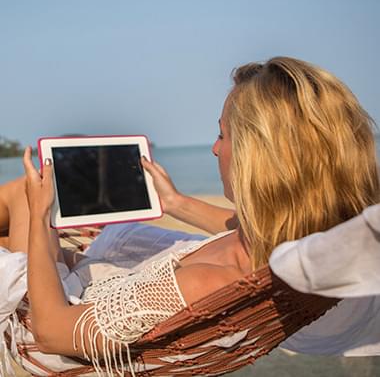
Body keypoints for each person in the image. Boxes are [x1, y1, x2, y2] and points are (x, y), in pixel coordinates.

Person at [0, 56, 379, 375]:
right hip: (92, 285)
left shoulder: (206, 283)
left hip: (45, 321)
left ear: (257, 157)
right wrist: (176, 203)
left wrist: (39, 215)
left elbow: (49, 332)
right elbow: (253, 228)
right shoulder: (312, 239)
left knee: (22, 194)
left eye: (223, 135)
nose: (215, 150)